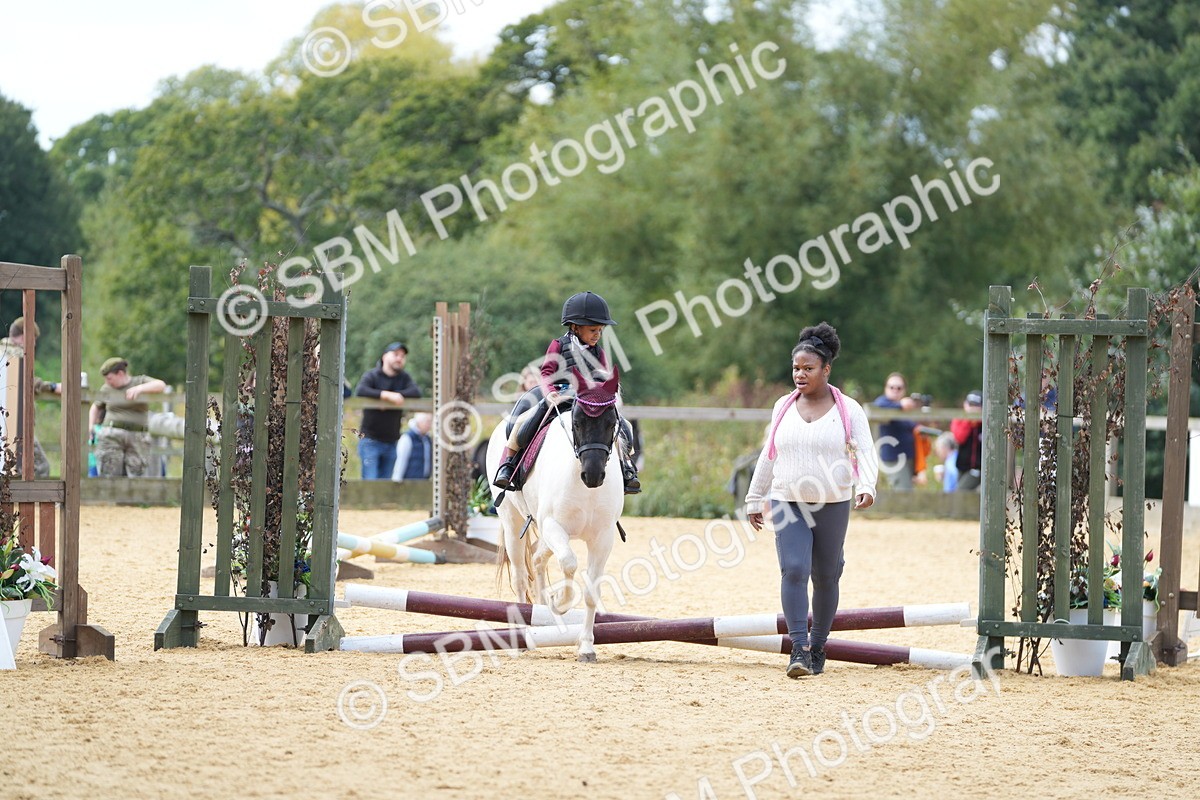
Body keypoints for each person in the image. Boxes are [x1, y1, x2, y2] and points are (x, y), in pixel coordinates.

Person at [744, 322, 878, 679]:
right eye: (796, 368)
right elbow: (769, 454)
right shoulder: (782, 406)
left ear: (826, 369)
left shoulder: (849, 409)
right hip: (786, 499)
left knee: (826, 575)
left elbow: (865, 451)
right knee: (794, 569)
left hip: (832, 502)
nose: (800, 375)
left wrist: (867, 485)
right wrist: (755, 497)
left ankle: (818, 645)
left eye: (808, 368)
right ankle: (799, 649)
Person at [492, 291, 641, 494]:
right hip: (560, 395)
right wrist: (550, 393)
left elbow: (604, 377)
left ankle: (627, 467)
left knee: (625, 425)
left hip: (589, 399)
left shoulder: (599, 352)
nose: (597, 335)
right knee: (521, 422)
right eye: (593, 330)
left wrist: (606, 392)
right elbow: (546, 372)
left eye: (600, 330)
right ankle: (508, 464)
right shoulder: (559, 345)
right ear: (575, 327)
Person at [0, 317, 62, 477]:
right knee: (40, 468)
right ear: (24, 336)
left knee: (13, 470)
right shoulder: (13, 353)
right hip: (16, 425)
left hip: (10, 423)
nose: (34, 344)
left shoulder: (5, 351)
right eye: (33, 339)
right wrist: (52, 387)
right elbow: (25, 380)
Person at [88, 357, 167, 477]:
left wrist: (140, 389)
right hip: (112, 434)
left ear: (120, 374)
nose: (107, 382)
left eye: (109, 378)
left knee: (137, 474)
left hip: (137, 435)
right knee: (109, 474)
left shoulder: (139, 381)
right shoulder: (106, 388)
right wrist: (91, 427)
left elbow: (161, 385)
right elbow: (96, 407)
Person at [354, 341, 422, 480]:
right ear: (384, 356)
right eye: (396, 354)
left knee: (386, 486)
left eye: (402, 356)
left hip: (392, 441)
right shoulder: (372, 375)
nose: (399, 359)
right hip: (370, 440)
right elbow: (361, 390)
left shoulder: (404, 377)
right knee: (370, 483)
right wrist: (385, 395)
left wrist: (397, 396)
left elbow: (416, 392)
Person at [873, 372, 918, 490]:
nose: (895, 390)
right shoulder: (883, 403)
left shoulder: (905, 409)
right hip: (895, 460)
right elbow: (878, 405)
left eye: (899, 388)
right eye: (891, 387)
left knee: (906, 493)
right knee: (903, 494)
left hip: (908, 459)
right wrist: (900, 405)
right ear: (885, 388)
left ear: (904, 390)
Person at [951, 390, 984, 491]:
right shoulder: (959, 420)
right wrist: (968, 420)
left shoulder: (985, 424)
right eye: (971, 405)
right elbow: (960, 438)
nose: (973, 409)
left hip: (978, 468)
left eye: (976, 406)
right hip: (962, 467)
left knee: (959, 493)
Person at [391, 412, 433, 482]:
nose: (429, 425)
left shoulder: (427, 439)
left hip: (424, 480)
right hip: (409, 481)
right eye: (427, 422)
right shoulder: (407, 438)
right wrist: (397, 480)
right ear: (419, 422)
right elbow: (401, 460)